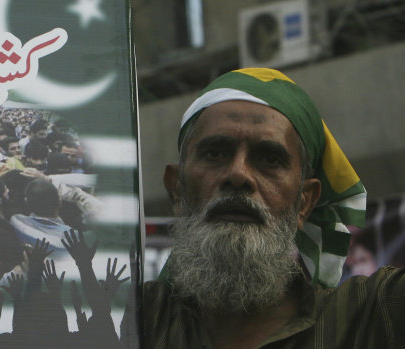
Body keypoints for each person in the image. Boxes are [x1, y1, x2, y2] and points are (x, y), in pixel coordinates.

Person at [142, 68, 404, 348]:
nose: (238, 174)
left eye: (268, 159)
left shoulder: (372, 318)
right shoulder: (131, 319)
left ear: (304, 202)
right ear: (178, 190)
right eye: (215, 153)